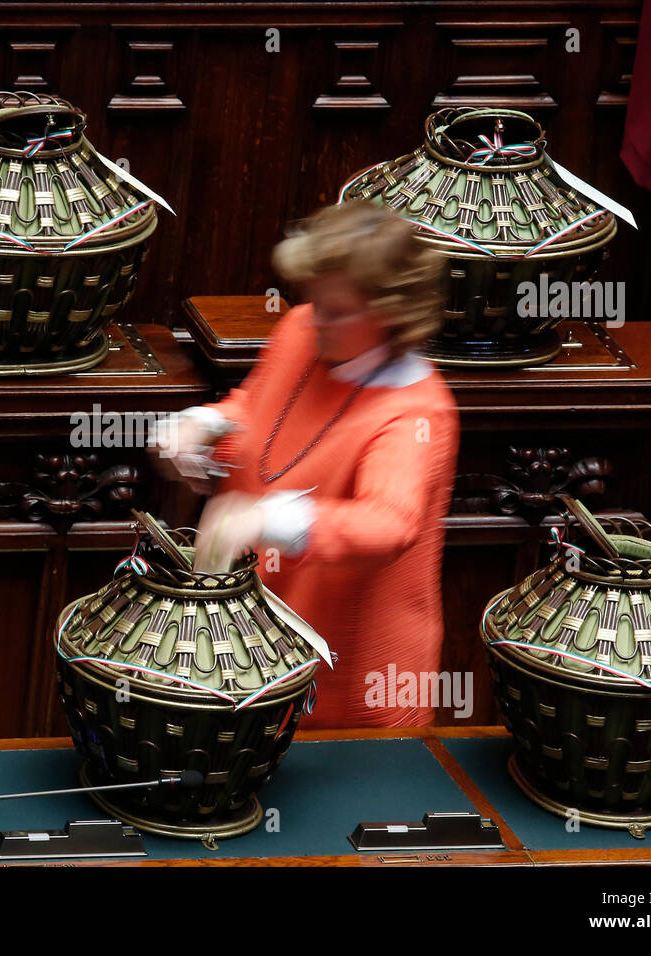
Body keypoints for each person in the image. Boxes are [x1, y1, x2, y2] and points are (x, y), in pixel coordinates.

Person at [157, 202, 459, 727]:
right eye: (315, 300)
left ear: (392, 315)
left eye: (337, 310)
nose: (316, 318)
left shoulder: (418, 412)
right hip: (263, 642)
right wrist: (205, 429)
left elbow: (389, 523)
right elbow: (259, 413)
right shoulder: (306, 328)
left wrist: (267, 518)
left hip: (353, 675)